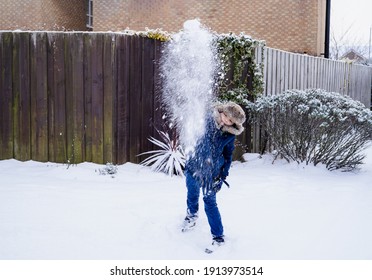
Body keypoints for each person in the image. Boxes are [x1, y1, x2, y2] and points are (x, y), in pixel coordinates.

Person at [181, 101, 246, 251]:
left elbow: (228, 156)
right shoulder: (205, 120)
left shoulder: (229, 135)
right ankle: (191, 216)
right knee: (192, 192)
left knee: (210, 203)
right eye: (226, 116)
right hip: (193, 166)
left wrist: (222, 176)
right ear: (222, 111)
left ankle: (218, 237)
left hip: (211, 173)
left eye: (231, 121)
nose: (226, 121)